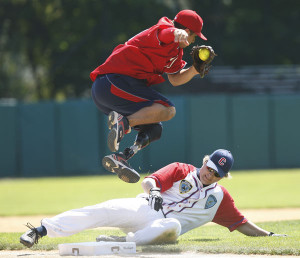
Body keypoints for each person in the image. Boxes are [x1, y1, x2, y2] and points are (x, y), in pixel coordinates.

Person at [20, 149, 286, 248]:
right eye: (210, 167)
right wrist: (155, 191)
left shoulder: (219, 199)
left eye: (217, 173)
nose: (210, 174)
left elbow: (240, 223)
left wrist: (270, 236)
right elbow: (150, 181)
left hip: (159, 229)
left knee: (173, 226)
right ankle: (41, 230)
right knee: (100, 210)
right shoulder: (182, 169)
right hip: (143, 208)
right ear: (205, 162)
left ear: (222, 177)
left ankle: (122, 243)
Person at [90, 9, 216, 183]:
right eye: (195, 36)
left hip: (114, 93)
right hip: (113, 82)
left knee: (154, 129)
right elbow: (165, 33)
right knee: (168, 110)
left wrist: (195, 69)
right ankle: (124, 123)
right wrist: (176, 32)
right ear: (187, 32)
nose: (195, 40)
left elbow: (175, 79)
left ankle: (122, 157)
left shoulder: (175, 53)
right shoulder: (165, 28)